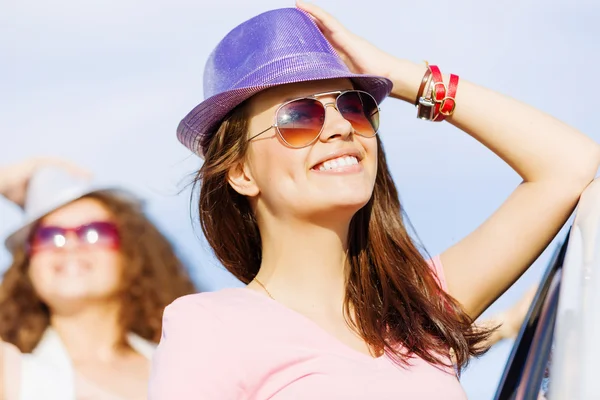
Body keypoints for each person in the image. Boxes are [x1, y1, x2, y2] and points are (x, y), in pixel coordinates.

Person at [149, 3, 600, 399]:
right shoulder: (210, 327)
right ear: (242, 172)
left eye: (354, 106)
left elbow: (569, 166)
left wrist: (401, 76)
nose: (342, 127)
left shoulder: (420, 311)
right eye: (299, 117)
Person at [0, 158, 197, 399]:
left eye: (94, 232)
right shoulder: (10, 371)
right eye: (50, 236)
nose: (70, 246)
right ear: (28, 264)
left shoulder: (188, 367)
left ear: (130, 254)